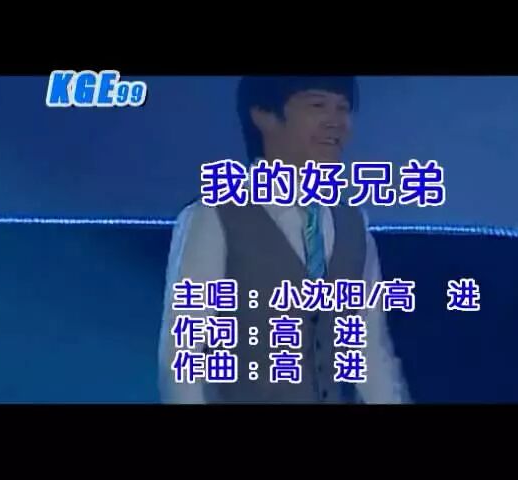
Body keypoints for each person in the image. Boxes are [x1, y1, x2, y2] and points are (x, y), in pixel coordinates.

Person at [157, 76, 411, 403]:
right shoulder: (214, 217)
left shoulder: (352, 223)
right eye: (318, 105)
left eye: (343, 108)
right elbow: (182, 361)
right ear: (264, 115)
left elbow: (370, 352)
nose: (336, 121)